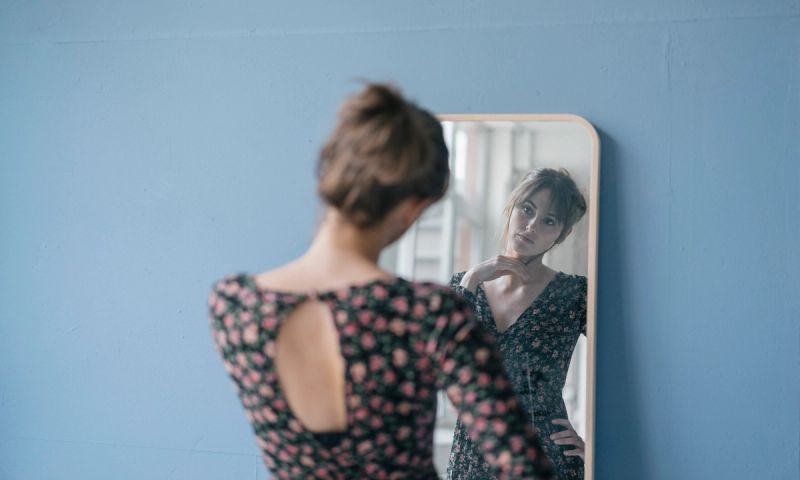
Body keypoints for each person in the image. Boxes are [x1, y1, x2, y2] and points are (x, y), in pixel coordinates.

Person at [207, 83, 554, 479]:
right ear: (413, 208)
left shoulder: (234, 305)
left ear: (328, 169)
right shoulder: (428, 313)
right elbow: (525, 469)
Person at [447, 168, 588, 480]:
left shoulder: (575, 294)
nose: (532, 225)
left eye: (549, 220)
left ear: (561, 234)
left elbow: (625, 368)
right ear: (510, 208)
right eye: (527, 209)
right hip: (472, 458)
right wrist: (471, 280)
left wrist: (598, 443)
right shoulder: (464, 286)